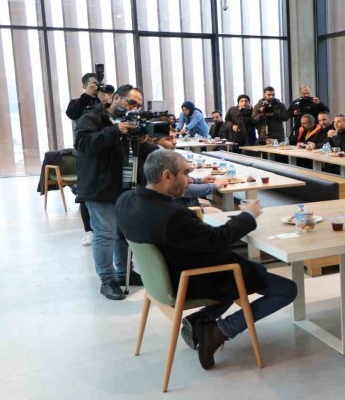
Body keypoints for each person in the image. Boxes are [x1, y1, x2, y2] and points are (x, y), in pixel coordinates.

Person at [115, 149, 297, 370]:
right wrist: (248, 215)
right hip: (190, 281)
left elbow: (124, 239)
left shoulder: (125, 200)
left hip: (159, 281)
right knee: (285, 288)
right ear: (167, 176)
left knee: (252, 271)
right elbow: (218, 239)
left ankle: (198, 320)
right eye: (186, 173)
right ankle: (219, 330)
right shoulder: (172, 214)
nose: (190, 179)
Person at [74, 84, 154, 300]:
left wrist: (146, 142)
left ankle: (124, 272)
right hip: (99, 187)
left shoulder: (132, 124)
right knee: (105, 233)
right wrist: (115, 130)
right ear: (116, 98)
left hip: (127, 187)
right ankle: (107, 280)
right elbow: (83, 145)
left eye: (138, 105)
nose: (134, 108)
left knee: (124, 233)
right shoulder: (92, 118)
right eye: (131, 102)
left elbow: (138, 152)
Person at [66, 73, 115, 246]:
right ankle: (89, 231)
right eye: (93, 84)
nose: (97, 87)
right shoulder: (78, 102)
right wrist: (86, 96)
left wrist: (106, 101)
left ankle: (107, 228)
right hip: (86, 153)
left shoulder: (104, 101)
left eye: (98, 84)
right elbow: (72, 114)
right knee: (86, 192)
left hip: (107, 151)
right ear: (84, 85)